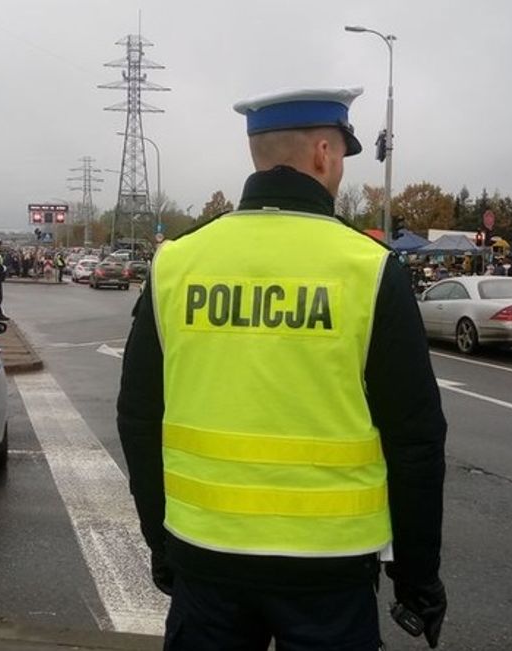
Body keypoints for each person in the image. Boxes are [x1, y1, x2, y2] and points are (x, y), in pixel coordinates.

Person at [117, 87, 448, 650]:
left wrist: (160, 538)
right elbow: (415, 438)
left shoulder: (177, 262)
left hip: (205, 554)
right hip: (330, 566)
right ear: (323, 153)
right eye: (342, 155)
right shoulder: (368, 268)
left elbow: (138, 416)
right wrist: (416, 577)